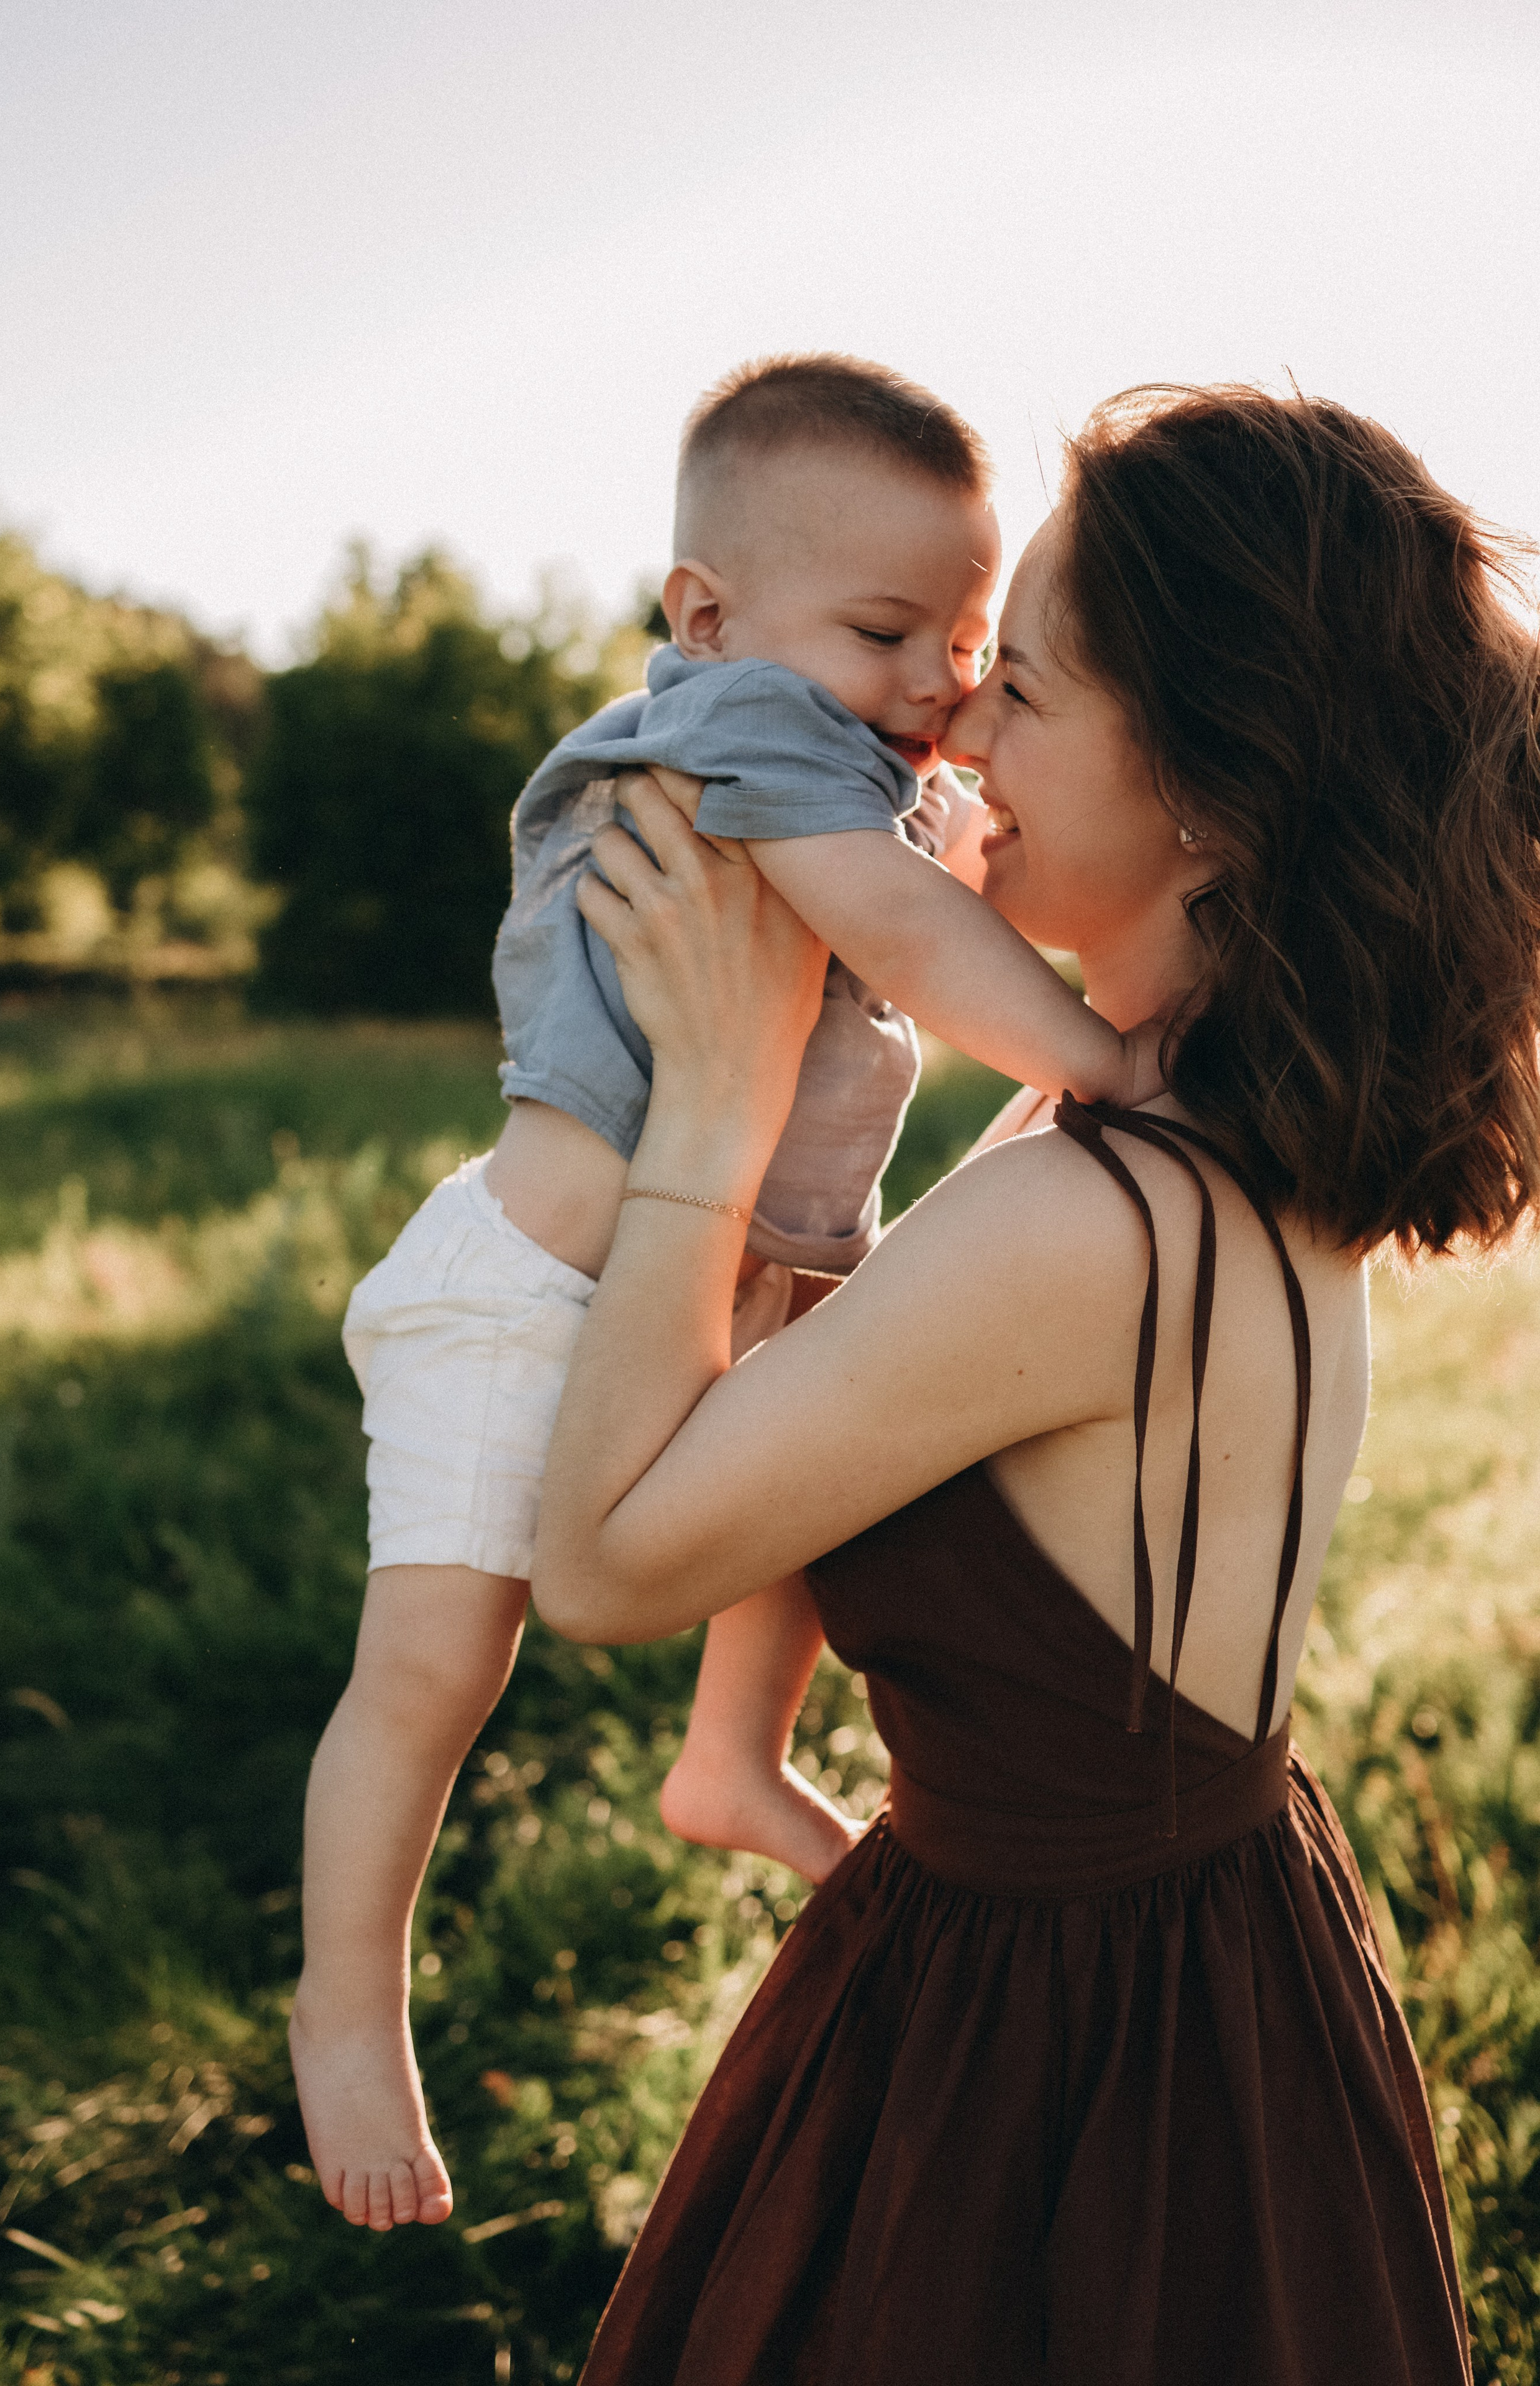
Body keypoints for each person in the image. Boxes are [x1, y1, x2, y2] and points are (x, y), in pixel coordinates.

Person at [532, 385, 1540, 2380]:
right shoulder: (1230, 1130)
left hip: (1055, 2062)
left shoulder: (1083, 1220)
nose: (953, 733)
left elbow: (599, 1565)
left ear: (1213, 795)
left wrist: (719, 1090)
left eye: (1031, 693)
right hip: (1220, 1967)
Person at [289, 354, 1161, 2233]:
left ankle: (731, 1761)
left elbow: (952, 883)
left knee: (811, 1510)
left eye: (967, 636)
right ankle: (349, 2005)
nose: (940, 679)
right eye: (889, 631)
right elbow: (917, 936)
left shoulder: (856, 755)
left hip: (736, 1274)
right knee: (439, 1664)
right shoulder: (744, 731)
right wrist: (1108, 1060)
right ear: (711, 615)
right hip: (529, 1291)